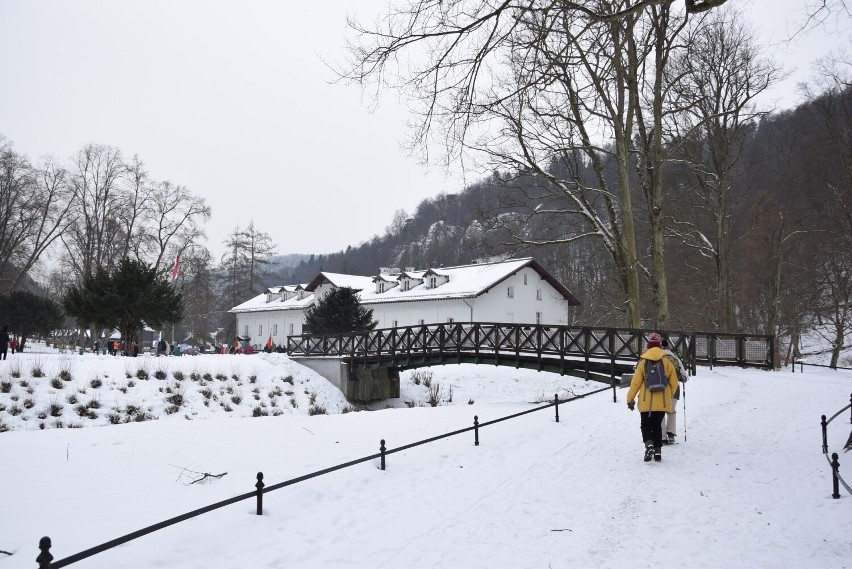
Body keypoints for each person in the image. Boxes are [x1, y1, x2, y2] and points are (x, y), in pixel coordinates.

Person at [626, 332, 679, 463]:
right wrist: (669, 395)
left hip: (645, 402)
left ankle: (649, 445)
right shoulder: (666, 362)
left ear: (648, 345)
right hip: (661, 402)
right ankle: (658, 453)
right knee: (657, 426)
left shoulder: (642, 363)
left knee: (645, 425)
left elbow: (635, 383)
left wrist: (630, 399)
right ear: (659, 345)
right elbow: (675, 383)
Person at [660, 336, 689, 445]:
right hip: (674, 389)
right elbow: (684, 377)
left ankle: (662, 437)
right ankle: (671, 434)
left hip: (660, 389)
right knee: (671, 410)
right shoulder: (675, 358)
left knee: (661, 412)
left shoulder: (657, 357)